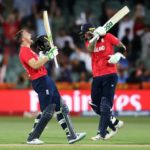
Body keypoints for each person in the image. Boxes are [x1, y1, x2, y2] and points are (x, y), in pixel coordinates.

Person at [16, 29, 86, 144]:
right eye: (27, 33)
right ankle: (32, 137)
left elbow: (39, 63)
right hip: (40, 81)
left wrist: (46, 53)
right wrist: (49, 56)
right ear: (23, 39)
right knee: (48, 110)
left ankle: (72, 135)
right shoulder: (24, 51)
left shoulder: (29, 51)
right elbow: (35, 65)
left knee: (62, 107)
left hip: (45, 79)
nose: (30, 33)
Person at [79, 24, 125, 140]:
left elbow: (122, 47)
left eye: (85, 33)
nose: (84, 36)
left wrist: (118, 55)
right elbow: (90, 49)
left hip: (110, 74)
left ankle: (101, 133)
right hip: (97, 76)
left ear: (89, 31)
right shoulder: (89, 42)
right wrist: (95, 37)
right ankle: (113, 123)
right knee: (94, 104)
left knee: (105, 105)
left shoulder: (108, 36)